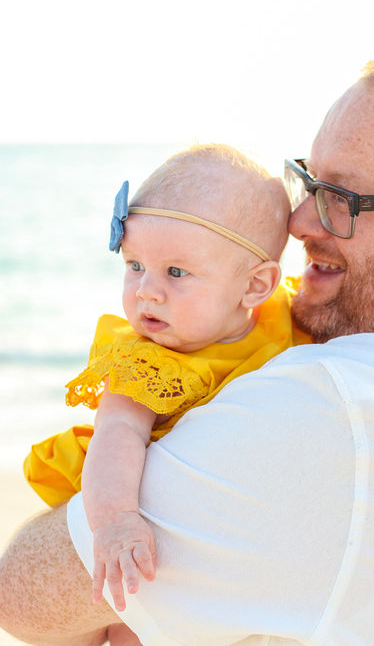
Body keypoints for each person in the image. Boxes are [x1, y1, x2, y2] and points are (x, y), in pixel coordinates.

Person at [1, 48, 374, 646]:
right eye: (309, 181)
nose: (298, 222)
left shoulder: (330, 406)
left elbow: (22, 597)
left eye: (345, 199)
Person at [23, 143, 305, 613]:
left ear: (256, 285)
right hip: (117, 489)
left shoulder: (288, 315)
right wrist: (115, 522)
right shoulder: (146, 361)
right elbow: (118, 431)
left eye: (176, 272)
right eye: (134, 265)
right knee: (130, 610)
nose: (147, 291)